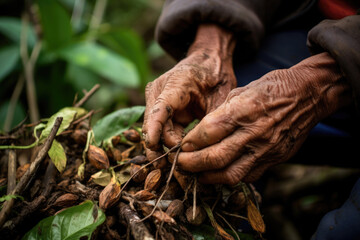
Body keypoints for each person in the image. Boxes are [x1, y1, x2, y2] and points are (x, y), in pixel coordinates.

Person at [142, 0, 360, 239]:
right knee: (224, 102)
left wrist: (320, 86)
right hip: (325, 21)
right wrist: (211, 44)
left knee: (341, 230)